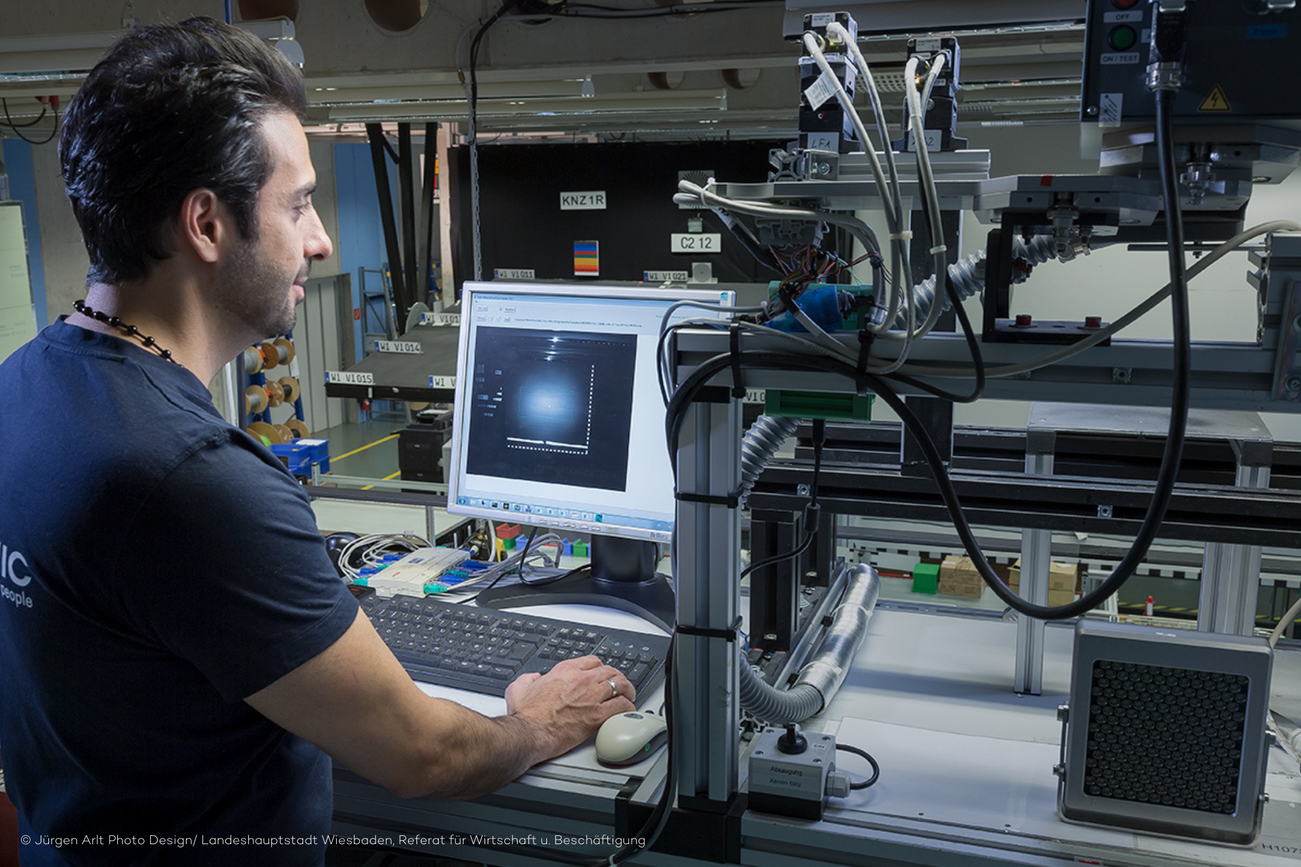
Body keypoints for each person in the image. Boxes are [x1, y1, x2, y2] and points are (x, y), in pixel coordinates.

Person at [0, 18, 635, 867]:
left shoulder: (22, 384)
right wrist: (535, 718)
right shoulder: (189, 478)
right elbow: (423, 755)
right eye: (297, 203)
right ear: (206, 223)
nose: (321, 239)